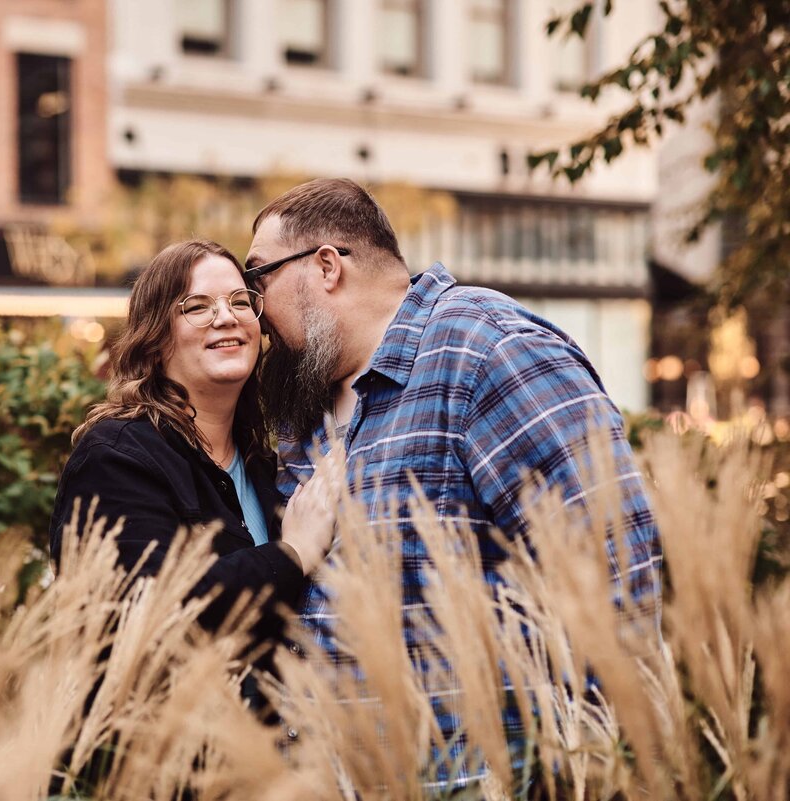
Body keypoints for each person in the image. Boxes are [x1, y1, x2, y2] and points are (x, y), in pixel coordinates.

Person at [244, 178, 663, 784]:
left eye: (259, 281)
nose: (254, 313)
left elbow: (614, 574)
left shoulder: (489, 352)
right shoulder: (301, 402)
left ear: (326, 267)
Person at [49, 239, 339, 704]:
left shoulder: (263, 462)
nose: (226, 317)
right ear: (157, 337)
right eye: (197, 306)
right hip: (159, 759)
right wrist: (294, 554)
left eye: (240, 301)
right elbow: (155, 610)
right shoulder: (117, 454)